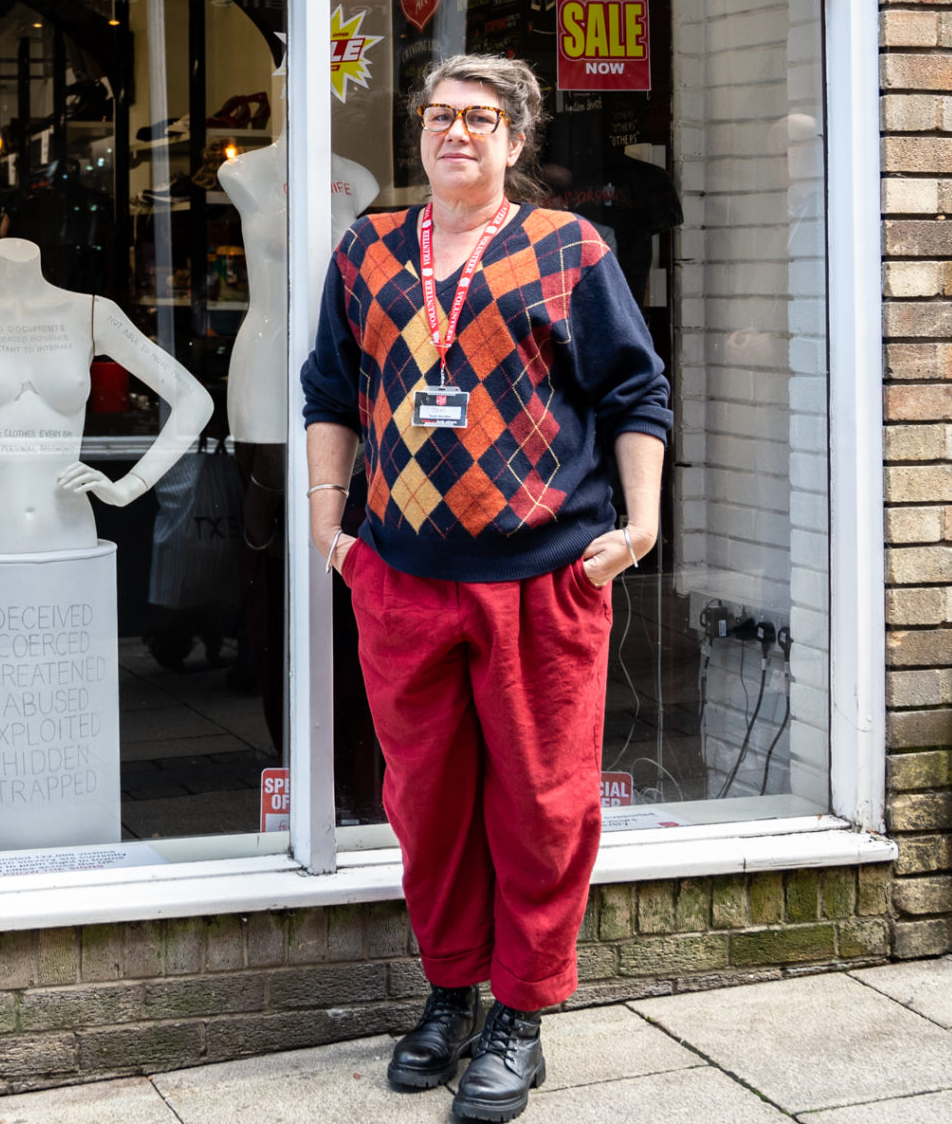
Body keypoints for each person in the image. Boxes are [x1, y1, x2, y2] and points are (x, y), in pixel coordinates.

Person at [300, 54, 671, 1122]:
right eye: (436, 115)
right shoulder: (368, 247)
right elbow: (329, 382)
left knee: (543, 805)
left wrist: (638, 524)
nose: (452, 131)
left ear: (516, 140)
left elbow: (634, 388)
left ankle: (521, 1011)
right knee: (428, 804)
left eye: (478, 117)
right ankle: (452, 988)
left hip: (540, 576)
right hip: (403, 574)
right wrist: (332, 518)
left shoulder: (566, 249)